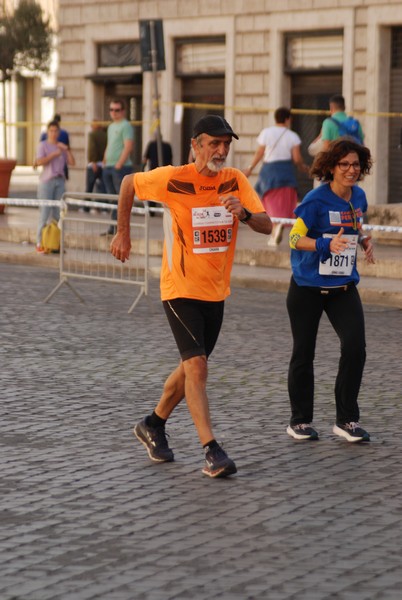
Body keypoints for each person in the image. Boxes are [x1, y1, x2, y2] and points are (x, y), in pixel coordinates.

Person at [110, 115, 272, 478]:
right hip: (179, 288)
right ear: (195, 145)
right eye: (214, 143)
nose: (221, 150)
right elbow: (127, 183)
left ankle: (153, 424)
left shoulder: (235, 180)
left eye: (226, 144)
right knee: (198, 367)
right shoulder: (174, 177)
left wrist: (243, 213)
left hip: (216, 291)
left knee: (189, 367)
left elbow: (267, 224)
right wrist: (124, 234)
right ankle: (211, 450)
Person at [286, 138, 374, 443]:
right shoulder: (315, 200)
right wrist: (324, 243)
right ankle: (300, 421)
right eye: (344, 164)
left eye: (356, 164)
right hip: (307, 287)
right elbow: (294, 239)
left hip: (343, 286)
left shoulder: (359, 196)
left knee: (355, 348)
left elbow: (356, 224)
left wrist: (363, 240)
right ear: (332, 167)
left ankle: (346, 419)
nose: (351, 170)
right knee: (303, 353)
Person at [244, 107, 309, 246]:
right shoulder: (293, 136)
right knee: (285, 201)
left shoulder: (266, 133)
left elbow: (259, 153)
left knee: (269, 201)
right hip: (286, 172)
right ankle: (278, 226)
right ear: (288, 119)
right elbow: (297, 158)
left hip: (269, 172)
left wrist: (250, 168)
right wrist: (303, 167)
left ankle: (275, 228)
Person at [35, 120, 75, 253]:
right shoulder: (43, 145)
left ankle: (55, 244)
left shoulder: (61, 147)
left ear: (59, 132)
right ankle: (40, 242)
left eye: (55, 131)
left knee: (59, 214)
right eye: (51, 131)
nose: (53, 133)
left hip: (60, 181)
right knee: (45, 213)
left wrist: (67, 150)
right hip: (47, 181)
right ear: (47, 132)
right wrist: (53, 155)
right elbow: (39, 161)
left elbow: (72, 162)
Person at [102, 99, 134, 235]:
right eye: (111, 110)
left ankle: (119, 230)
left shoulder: (126, 126)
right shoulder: (111, 126)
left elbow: (128, 146)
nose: (114, 113)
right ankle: (113, 227)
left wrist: (119, 164)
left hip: (120, 168)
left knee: (120, 200)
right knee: (112, 199)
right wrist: (104, 159)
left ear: (123, 111)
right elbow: (110, 144)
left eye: (117, 110)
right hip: (108, 166)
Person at [142, 133, 173, 213]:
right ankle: (166, 209)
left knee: (153, 190)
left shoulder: (151, 144)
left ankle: (152, 211)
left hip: (154, 171)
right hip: (166, 171)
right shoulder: (167, 146)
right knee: (165, 190)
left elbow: (145, 159)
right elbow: (171, 159)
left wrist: (142, 169)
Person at [85, 119, 107, 211]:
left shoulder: (92, 134)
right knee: (103, 187)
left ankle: (86, 207)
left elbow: (92, 148)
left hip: (93, 164)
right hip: (103, 163)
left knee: (89, 187)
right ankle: (104, 208)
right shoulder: (106, 135)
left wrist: (93, 161)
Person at [40, 114, 71, 180]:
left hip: (51, 156)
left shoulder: (45, 134)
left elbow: (40, 148)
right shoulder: (64, 133)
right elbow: (68, 146)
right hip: (60, 156)